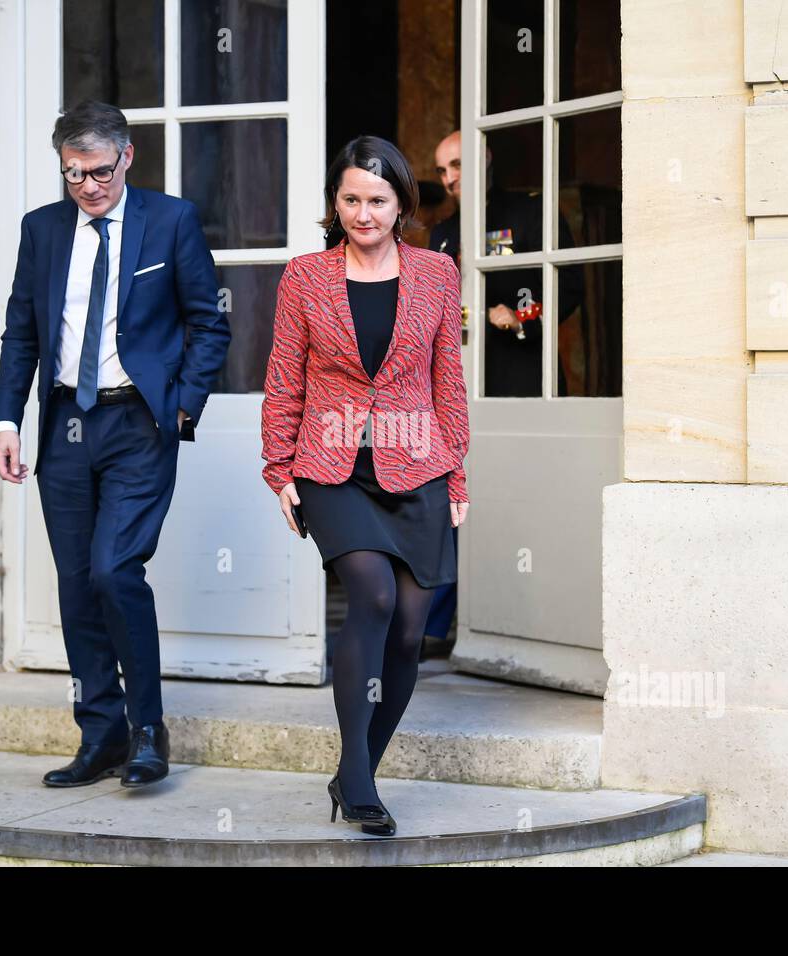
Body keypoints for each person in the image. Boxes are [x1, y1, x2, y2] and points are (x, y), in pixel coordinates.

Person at [0, 100, 230, 789]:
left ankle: (149, 732)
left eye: (99, 171)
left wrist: (182, 408)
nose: (88, 188)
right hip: (65, 424)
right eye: (73, 175)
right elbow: (22, 334)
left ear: (127, 157)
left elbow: (209, 323)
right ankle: (101, 735)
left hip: (138, 424)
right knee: (74, 585)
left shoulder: (172, 221)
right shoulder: (41, 230)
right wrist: (7, 421)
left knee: (112, 570)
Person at [260, 136, 471, 836]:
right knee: (374, 597)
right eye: (350, 199)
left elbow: (448, 380)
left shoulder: (438, 273)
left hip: (418, 463)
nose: (363, 212)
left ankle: (357, 770)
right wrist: (278, 468)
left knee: (410, 631)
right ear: (336, 202)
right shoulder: (305, 277)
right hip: (332, 464)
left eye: (377, 200)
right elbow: (285, 377)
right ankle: (357, 778)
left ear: (401, 203)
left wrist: (458, 472)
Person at [429, 130, 582, 397]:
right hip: (457, 379)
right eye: (442, 171)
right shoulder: (442, 233)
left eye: (457, 165)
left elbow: (568, 285)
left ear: (484, 157)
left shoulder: (530, 212)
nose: (449, 179)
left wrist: (521, 318)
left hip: (523, 375)